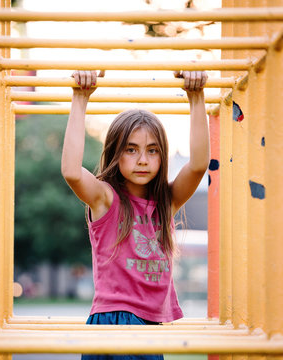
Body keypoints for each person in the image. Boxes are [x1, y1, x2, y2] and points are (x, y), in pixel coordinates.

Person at [61, 70, 209, 360]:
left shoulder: (165, 202)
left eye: (152, 151)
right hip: (114, 320)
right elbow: (70, 171)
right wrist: (80, 98)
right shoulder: (106, 198)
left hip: (149, 324)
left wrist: (196, 97)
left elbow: (198, 165)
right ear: (116, 152)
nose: (143, 159)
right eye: (131, 150)